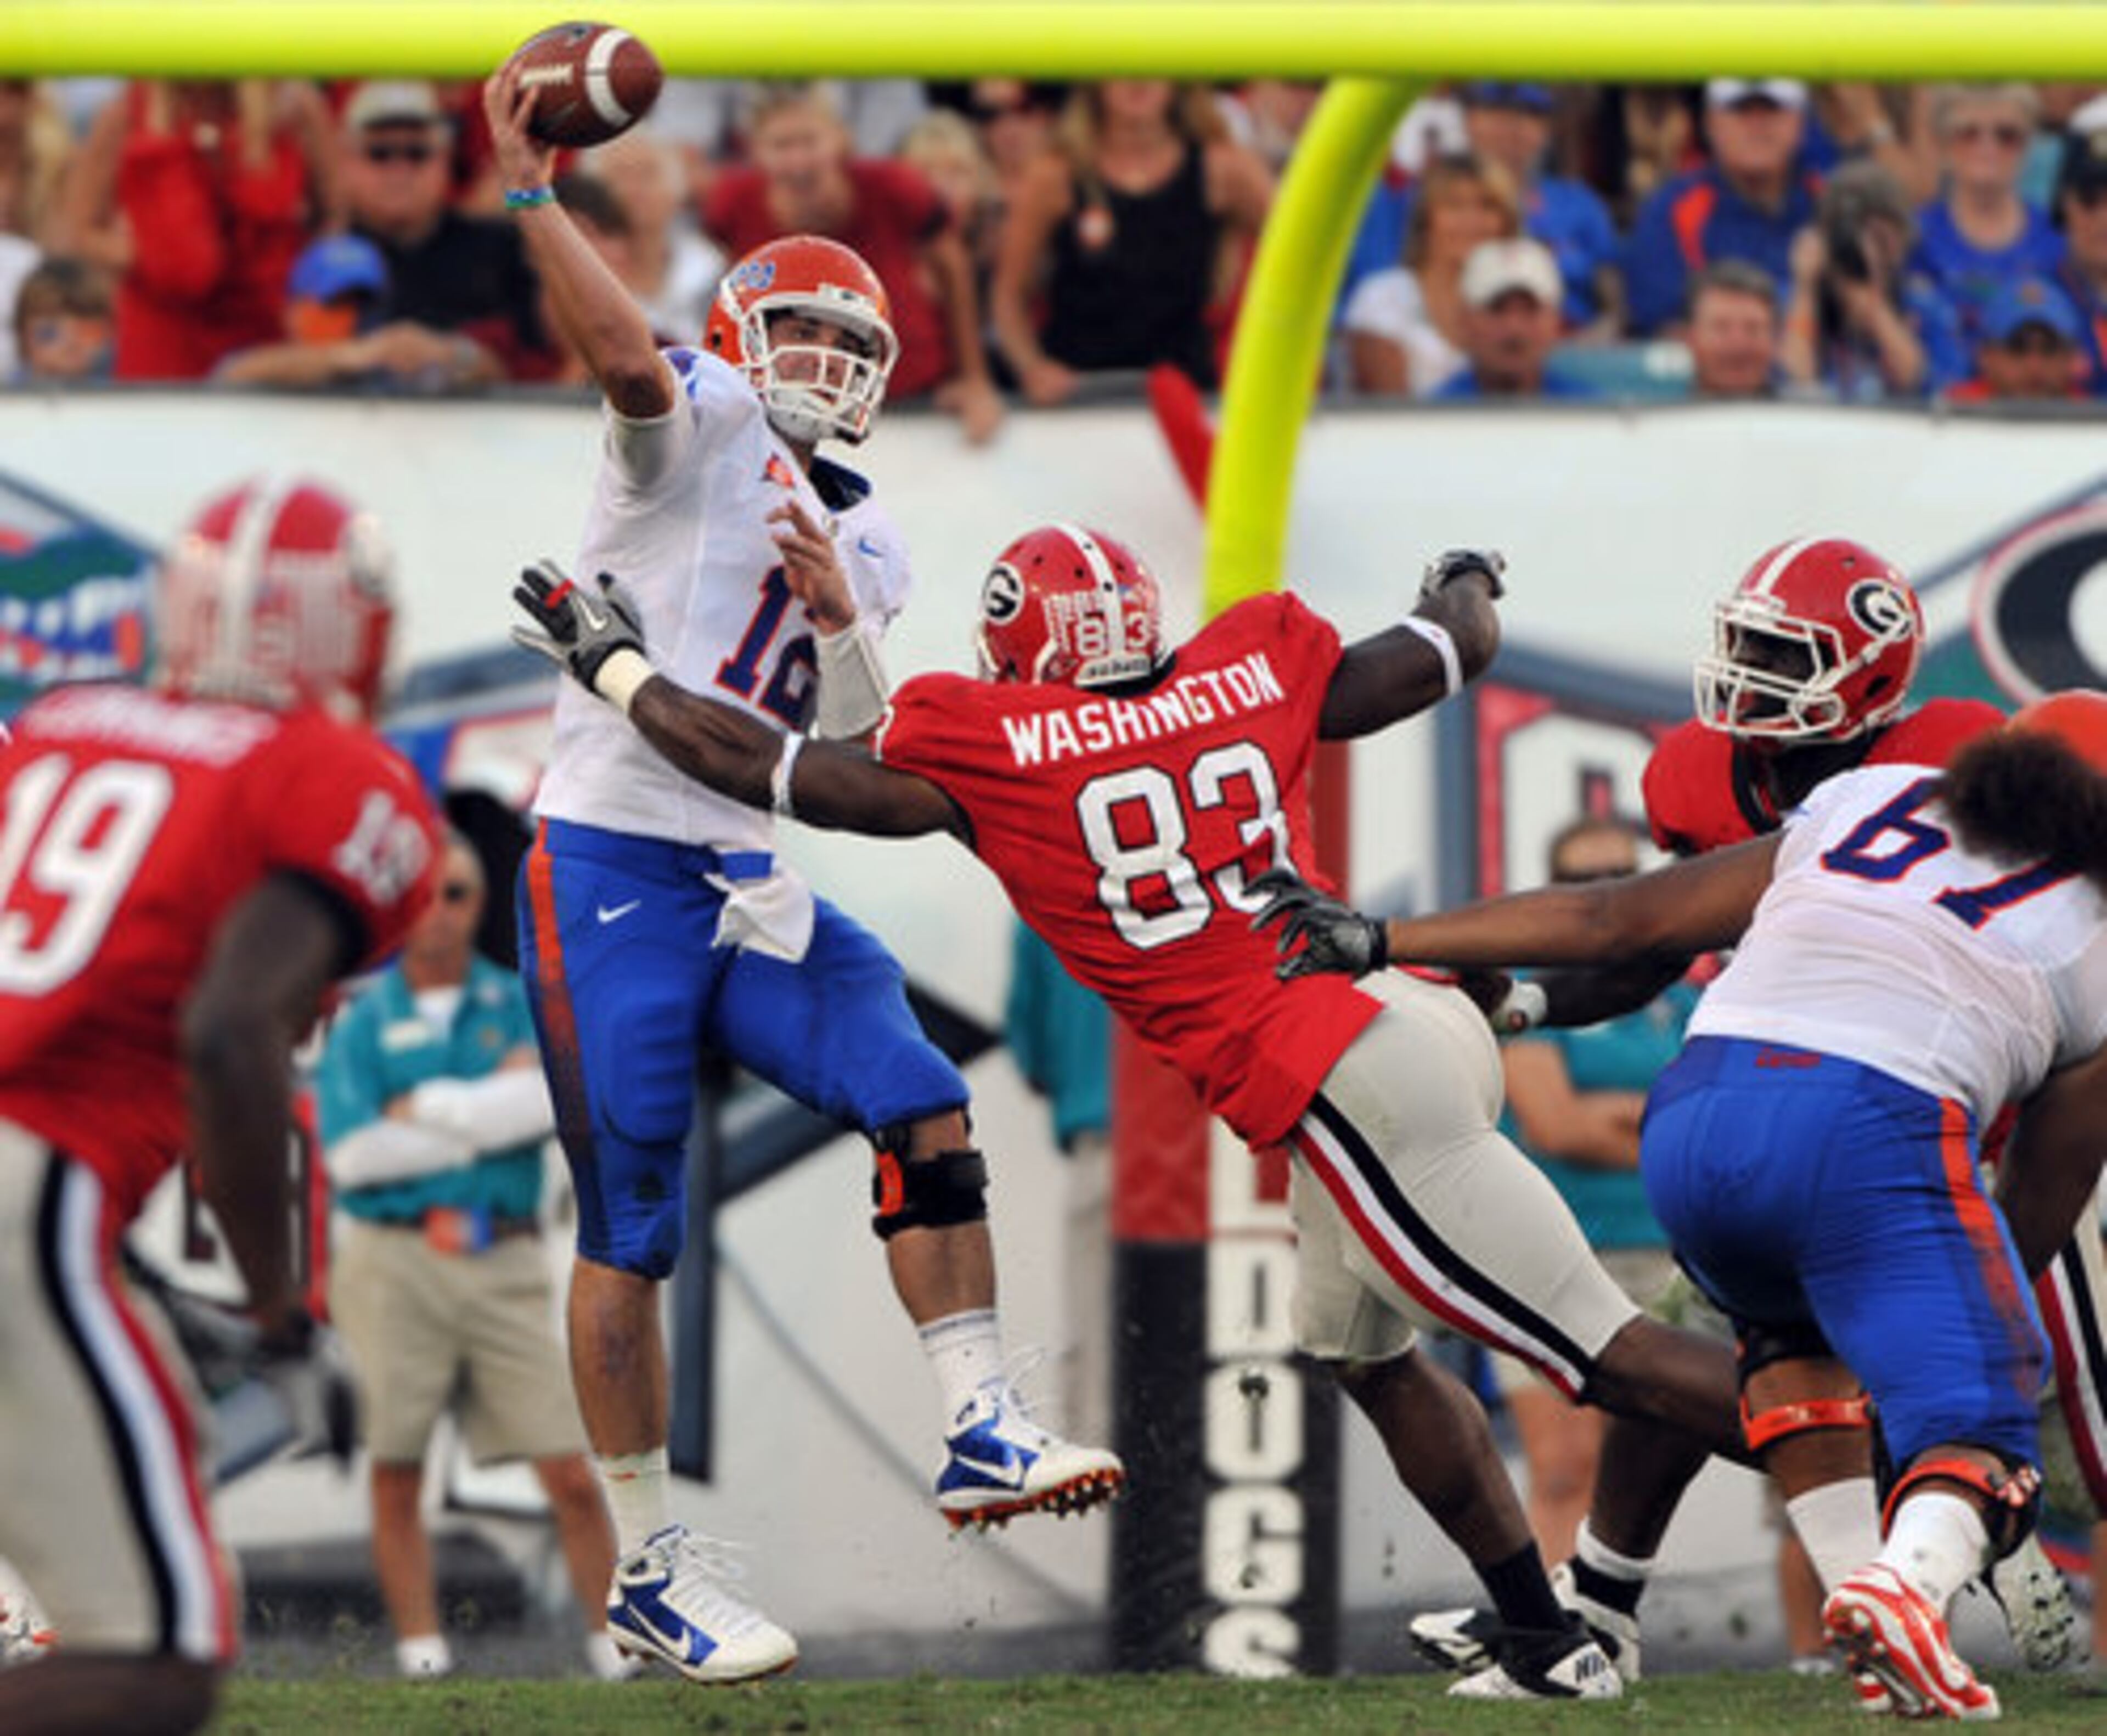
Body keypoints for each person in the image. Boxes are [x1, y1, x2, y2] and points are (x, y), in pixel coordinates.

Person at [511, 526, 1759, 1703]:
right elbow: (1447, 647)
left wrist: (608, 660)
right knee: (1361, 1355)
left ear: (1019, 649)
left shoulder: (994, 739)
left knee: (1600, 1353)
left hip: (1339, 1074)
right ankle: (1540, 1636)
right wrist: (1466, 576)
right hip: (1405, 1010)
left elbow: (770, 766)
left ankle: (1923, 1480)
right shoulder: (1248, 663)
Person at [482, 64, 1122, 1686]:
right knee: (632, 1214)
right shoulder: (689, 416)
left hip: (751, 865)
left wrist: (840, 606)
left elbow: (855, 741)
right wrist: (530, 190)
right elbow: (624, 355)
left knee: (920, 1097)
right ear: (745, 337)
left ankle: (980, 1419)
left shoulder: (877, 529)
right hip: (614, 855)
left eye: (854, 346)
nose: (827, 367)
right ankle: (646, 1567)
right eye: (804, 338)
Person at [1304, 536, 2091, 1688]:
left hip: (1718, 1106)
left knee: (1738, 1350)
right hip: (1893, 1128)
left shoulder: (1879, 790)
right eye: (1751, 646)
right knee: (1976, 1401)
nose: (1751, 678)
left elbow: (1619, 916)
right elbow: (1635, 935)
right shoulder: (1912, 814)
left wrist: (1391, 935)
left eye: (1786, 654)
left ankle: (1638, 1615)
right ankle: (1920, 1559)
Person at [0, 475, 442, 1736]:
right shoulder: (326, 774)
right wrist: (278, 1313)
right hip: (24, 1182)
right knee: (156, 1655)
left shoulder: (59, 723)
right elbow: (231, 1031)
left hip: (38, 1185)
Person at [313, 829, 631, 1684]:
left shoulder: (515, 998)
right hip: (394, 1260)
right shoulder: (363, 1018)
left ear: (479, 903)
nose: (440, 915)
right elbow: (351, 1158)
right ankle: (422, 1655)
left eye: (456, 895)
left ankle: (613, 1646)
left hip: (505, 1260)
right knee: (395, 1465)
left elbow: (558, 1100)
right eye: (425, 895)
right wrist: (490, 1112)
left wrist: (429, 1109)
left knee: (567, 1464)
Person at [1492, 816, 1697, 1562]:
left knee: (1631, 1476)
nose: (1602, 892)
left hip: (1663, 1258)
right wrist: (1657, 1121)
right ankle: (1552, 1635)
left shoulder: (1673, 995)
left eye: (1619, 874)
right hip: (1551, 1256)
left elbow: (1706, 1112)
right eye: (1582, 881)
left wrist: (1615, 1116)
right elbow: (1556, 1127)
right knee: (1563, 1467)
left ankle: (1606, 1621)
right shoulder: (1527, 995)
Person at [704, 82, 1002, 443]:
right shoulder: (731, 204)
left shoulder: (894, 186)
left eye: (809, 142)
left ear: (841, 140)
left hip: (913, 391)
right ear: (757, 153)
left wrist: (973, 378)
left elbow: (953, 267)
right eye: (782, 145)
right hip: (787, 404)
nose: (798, 161)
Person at [989, 80, 1274, 405]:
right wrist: (1032, 368)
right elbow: (1008, 296)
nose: (1137, 80)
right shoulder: (1056, 175)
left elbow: (1302, 253)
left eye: (1152, 62)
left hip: (1187, 394)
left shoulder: (1222, 169)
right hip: (1080, 395)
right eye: (1122, 63)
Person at [50, 77, 337, 379]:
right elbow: (80, 232)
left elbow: (331, 215)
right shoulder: (127, 113)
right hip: (164, 332)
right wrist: (153, 257)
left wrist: (305, 283)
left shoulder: (294, 108)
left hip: (269, 329)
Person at [340, 80, 556, 386]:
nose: (399, 170)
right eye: (380, 153)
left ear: (446, 159)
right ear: (346, 163)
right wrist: (356, 356)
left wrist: (454, 356)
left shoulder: (499, 249)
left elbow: (541, 366)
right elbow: (255, 360)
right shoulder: (317, 249)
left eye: (417, 153)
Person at [1625, 79, 1823, 337]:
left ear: (1801, 123)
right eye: (1741, 111)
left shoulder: (1827, 201)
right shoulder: (1672, 209)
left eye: (1773, 110)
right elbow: (1664, 326)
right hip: (1712, 372)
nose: (1757, 126)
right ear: (1710, 124)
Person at [1781, 160, 1968, 401]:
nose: (1866, 247)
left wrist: (1874, 308)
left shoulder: (1924, 305)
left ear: (1903, 241)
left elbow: (1920, 381)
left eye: (1880, 238)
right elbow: (1792, 382)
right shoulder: (1795, 298)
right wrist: (1806, 288)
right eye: (1855, 232)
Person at [1339, 151, 1520, 399]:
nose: (1471, 220)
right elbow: (1389, 416)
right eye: (1454, 206)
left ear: (1507, 223)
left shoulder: (1523, 305)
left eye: (1487, 206)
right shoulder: (1383, 296)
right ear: (1427, 219)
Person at [1432, 238, 1597, 400]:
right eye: (1497, 309)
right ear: (1465, 321)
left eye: (1530, 310)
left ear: (1556, 321)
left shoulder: (1595, 416)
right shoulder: (1432, 419)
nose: (1514, 328)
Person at [1942, 273, 2089, 402]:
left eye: (2049, 349)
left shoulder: (2092, 423)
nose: (2034, 366)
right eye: (2017, 348)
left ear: (2072, 358)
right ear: (1985, 357)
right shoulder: (1954, 415)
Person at [1681, 259, 1784, 397]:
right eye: (1721, 328)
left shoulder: (1802, 416)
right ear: (1691, 339)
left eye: (1752, 329)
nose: (1738, 344)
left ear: (1774, 339)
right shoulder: (1659, 416)